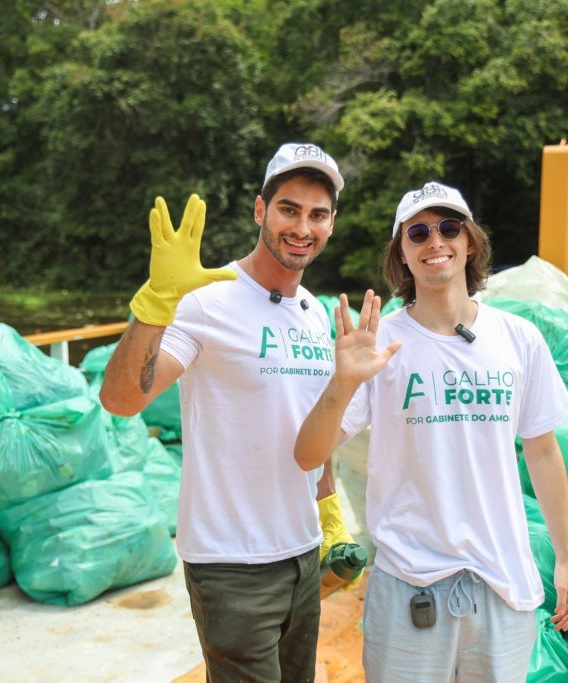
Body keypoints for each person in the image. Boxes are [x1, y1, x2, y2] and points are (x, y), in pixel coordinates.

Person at [294, 181, 568, 681]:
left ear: (470, 242)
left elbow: (541, 451)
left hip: (502, 584)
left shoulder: (518, 338)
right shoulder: (379, 343)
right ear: (402, 255)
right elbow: (308, 454)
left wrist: (566, 560)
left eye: (449, 228)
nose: (435, 242)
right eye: (418, 233)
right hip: (409, 587)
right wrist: (341, 384)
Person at [99, 143, 357, 682]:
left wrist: (330, 516)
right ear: (260, 210)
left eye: (318, 214)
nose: (302, 227)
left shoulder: (313, 314)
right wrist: (155, 304)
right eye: (289, 208)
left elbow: (312, 426)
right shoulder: (204, 299)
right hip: (231, 563)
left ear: (332, 223)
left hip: (303, 554)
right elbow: (122, 400)